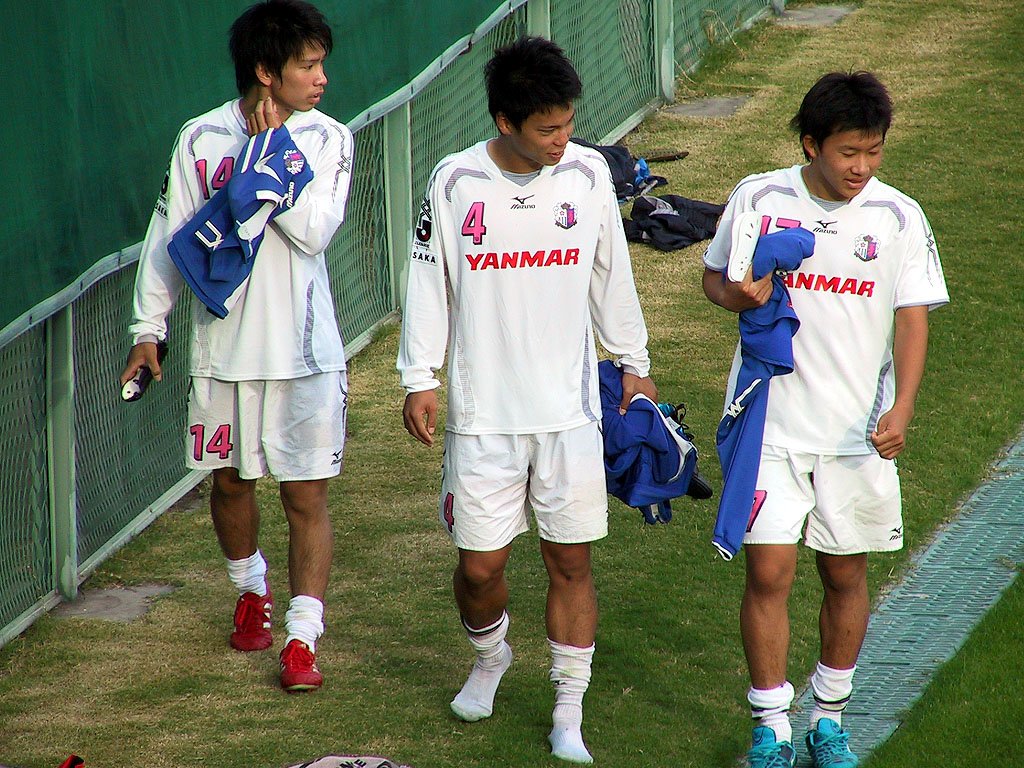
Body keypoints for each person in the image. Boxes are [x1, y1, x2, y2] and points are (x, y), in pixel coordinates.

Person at [397, 36, 657, 765]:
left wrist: (633, 364)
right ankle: (491, 657)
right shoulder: (454, 183)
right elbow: (427, 282)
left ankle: (568, 708)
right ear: (505, 121)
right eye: (547, 128)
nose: (562, 139)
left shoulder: (588, 175)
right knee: (480, 570)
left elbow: (611, 274)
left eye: (568, 123)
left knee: (570, 561)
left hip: (570, 416)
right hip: (483, 419)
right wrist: (419, 376)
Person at [702, 71, 948, 768]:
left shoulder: (898, 216)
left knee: (844, 575)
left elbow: (912, 318)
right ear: (811, 144)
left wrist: (903, 406)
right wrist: (741, 296)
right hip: (770, 427)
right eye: (848, 152)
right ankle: (770, 727)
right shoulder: (761, 197)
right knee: (769, 573)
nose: (861, 167)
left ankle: (829, 718)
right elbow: (715, 278)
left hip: (855, 435)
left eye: (873, 150)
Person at [119, 0, 354, 693]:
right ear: (265, 71)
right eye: (308, 65)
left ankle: (302, 639)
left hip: (306, 355)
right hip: (222, 354)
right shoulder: (199, 139)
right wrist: (148, 329)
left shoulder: (329, 139)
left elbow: (314, 232)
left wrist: (270, 155)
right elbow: (169, 236)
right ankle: (251, 588)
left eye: (322, 64)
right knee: (229, 484)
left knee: (305, 495)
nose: (322, 79)